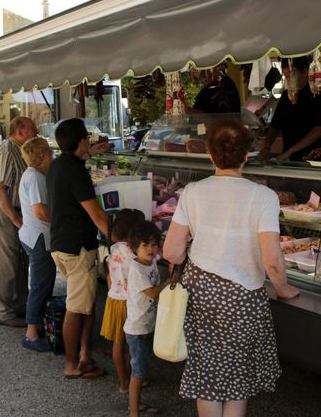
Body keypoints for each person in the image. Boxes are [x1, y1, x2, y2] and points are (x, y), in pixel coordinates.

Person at [164, 118, 300, 417]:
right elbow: (272, 261)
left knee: (207, 372)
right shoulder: (263, 196)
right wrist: (283, 289)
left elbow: (171, 252)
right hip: (244, 296)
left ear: (211, 155)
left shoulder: (193, 192)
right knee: (238, 377)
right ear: (246, 155)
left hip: (202, 293)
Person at [47, 118, 110, 379]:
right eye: (87, 139)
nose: (90, 142)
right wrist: (120, 237)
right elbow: (96, 215)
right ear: (81, 140)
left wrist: (90, 154)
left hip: (62, 244)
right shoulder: (76, 172)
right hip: (77, 249)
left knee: (85, 305)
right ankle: (71, 364)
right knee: (76, 308)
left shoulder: (60, 164)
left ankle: (85, 356)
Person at [0, 116, 38, 328]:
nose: (36, 132)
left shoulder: (19, 149)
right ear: (21, 131)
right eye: (33, 128)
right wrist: (16, 220)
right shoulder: (7, 151)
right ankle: (4, 312)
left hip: (13, 209)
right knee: (5, 262)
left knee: (19, 260)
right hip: (2, 210)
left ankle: (20, 305)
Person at [124, 220, 170, 416]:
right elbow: (152, 292)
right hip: (137, 329)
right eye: (145, 245)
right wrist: (170, 280)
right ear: (134, 247)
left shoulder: (151, 260)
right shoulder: (137, 270)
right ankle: (134, 411)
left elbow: (168, 254)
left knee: (139, 367)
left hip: (145, 325)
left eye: (154, 244)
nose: (151, 249)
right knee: (138, 373)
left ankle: (136, 405)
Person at [100, 208, 146, 393]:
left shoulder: (113, 248)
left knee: (118, 343)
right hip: (130, 303)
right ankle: (133, 375)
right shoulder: (136, 254)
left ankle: (123, 381)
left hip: (114, 301)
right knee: (133, 344)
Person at [17, 137, 56, 351]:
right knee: (40, 285)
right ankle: (31, 334)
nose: (51, 155)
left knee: (43, 283)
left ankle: (39, 325)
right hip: (39, 237)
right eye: (49, 151)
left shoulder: (34, 175)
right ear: (41, 155)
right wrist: (60, 223)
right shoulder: (36, 178)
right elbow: (40, 211)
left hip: (33, 235)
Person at [259, 57, 321, 161]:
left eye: (292, 77)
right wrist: (266, 147)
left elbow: (319, 129)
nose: (289, 82)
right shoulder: (285, 96)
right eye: (287, 78)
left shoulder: (319, 94)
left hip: (312, 160)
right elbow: (275, 126)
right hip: (289, 159)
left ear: (305, 71)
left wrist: (291, 151)